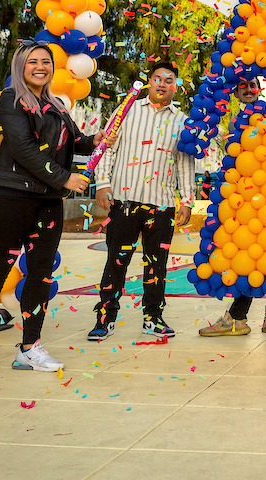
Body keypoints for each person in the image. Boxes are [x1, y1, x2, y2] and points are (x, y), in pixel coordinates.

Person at [0, 41, 103, 377]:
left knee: (39, 274)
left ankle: (30, 348)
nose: (40, 67)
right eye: (32, 62)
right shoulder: (10, 100)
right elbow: (22, 148)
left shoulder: (56, 104)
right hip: (10, 196)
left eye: (46, 62)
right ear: (20, 67)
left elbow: (75, 141)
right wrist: (67, 179)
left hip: (46, 201)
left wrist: (96, 140)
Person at [88, 60, 197, 341]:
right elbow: (107, 148)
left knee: (156, 264)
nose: (162, 83)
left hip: (162, 205)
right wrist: (103, 184)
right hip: (124, 200)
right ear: (149, 82)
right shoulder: (126, 111)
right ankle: (105, 317)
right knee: (116, 260)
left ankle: (153, 317)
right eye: (157, 78)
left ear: (176, 87)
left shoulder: (181, 121)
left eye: (168, 80)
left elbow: (185, 162)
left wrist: (186, 199)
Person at [200, 77, 266, 337]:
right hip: (244, 200)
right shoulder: (234, 120)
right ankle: (240, 316)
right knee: (251, 255)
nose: (249, 89)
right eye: (243, 86)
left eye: (253, 84)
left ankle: (262, 314)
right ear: (235, 92)